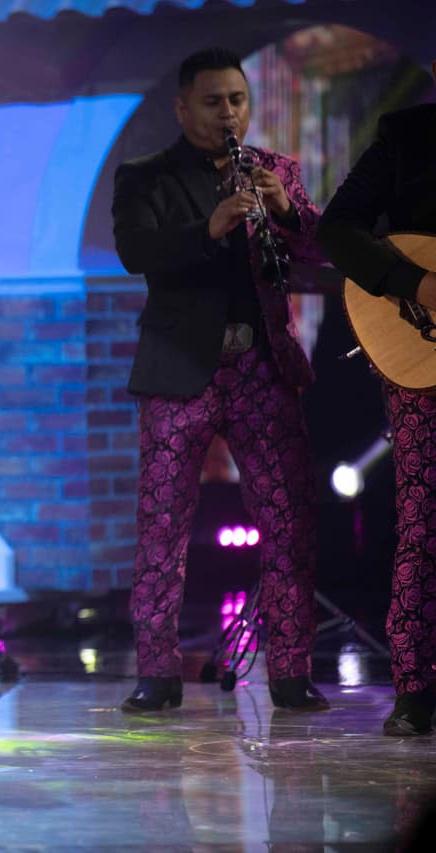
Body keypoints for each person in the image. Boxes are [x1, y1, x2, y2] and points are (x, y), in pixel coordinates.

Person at [111, 47, 329, 713]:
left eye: (237, 99)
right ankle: (157, 671)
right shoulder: (145, 176)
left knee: (287, 520)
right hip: (179, 368)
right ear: (183, 108)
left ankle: (291, 672)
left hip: (261, 367)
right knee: (163, 526)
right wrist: (210, 226)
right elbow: (136, 252)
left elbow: (322, 262)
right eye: (213, 102)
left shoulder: (275, 171)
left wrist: (286, 214)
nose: (228, 113)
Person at [316, 58, 436, 736]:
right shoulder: (408, 136)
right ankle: (417, 684)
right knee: (424, 516)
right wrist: (414, 282)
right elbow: (337, 228)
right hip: (422, 349)